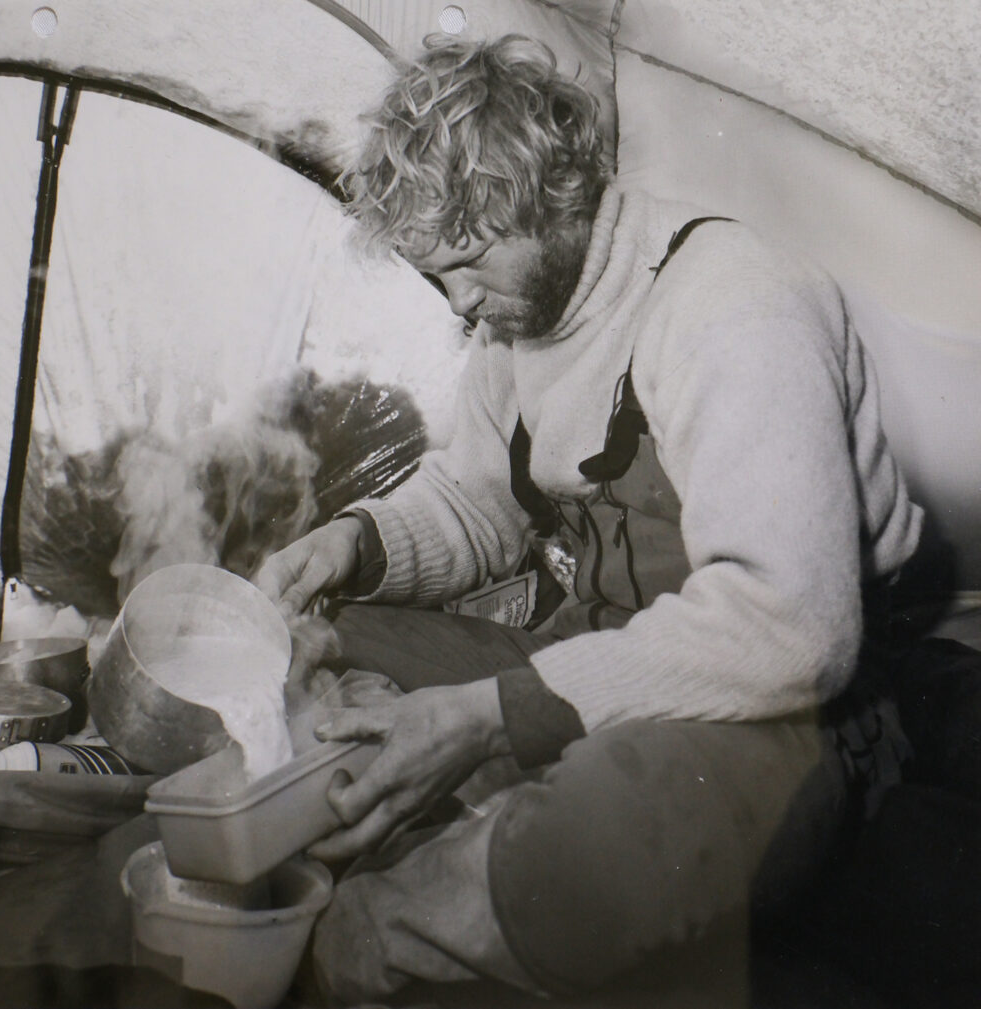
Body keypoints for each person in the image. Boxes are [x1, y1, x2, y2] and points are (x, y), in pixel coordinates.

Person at [254, 33, 923, 1006]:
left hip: (776, 712)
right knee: (315, 640)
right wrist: (352, 544)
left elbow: (793, 624)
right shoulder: (517, 318)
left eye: (469, 265)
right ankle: (477, 844)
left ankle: (386, 932)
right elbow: (478, 500)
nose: (462, 309)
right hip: (592, 664)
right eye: (439, 278)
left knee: (609, 828)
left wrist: (491, 718)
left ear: (556, 193)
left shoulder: (732, 303)